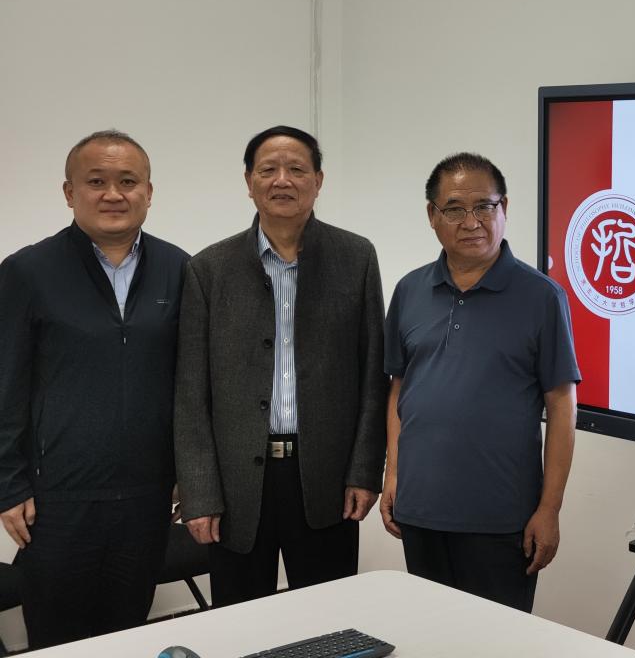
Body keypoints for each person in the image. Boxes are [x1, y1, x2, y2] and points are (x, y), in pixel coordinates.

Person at [174, 125, 387, 606]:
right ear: (249, 182)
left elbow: (373, 376)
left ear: (318, 180)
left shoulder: (355, 258)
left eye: (296, 169)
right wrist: (200, 493)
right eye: (268, 170)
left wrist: (364, 471)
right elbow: (190, 395)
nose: (282, 180)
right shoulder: (209, 269)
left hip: (326, 478)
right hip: (237, 483)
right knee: (240, 620)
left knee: (328, 617)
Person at [0, 130, 188, 649]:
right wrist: (9, 485)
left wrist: (188, 474)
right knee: (59, 642)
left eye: (128, 181)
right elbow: (5, 385)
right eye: (97, 181)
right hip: (57, 501)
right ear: (69, 192)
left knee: (126, 636)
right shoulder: (27, 272)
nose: (113, 194)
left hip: (148, 497)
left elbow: (191, 383)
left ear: (148, 192)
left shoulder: (179, 269)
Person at [380, 152, 580, 612]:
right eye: (454, 209)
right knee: (429, 634)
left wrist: (549, 509)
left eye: (484, 206)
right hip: (421, 510)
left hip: (502, 519)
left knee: (495, 640)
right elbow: (399, 390)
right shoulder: (410, 291)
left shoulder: (541, 297)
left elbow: (562, 405)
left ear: (503, 207)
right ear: (432, 215)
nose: (471, 222)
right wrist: (394, 475)